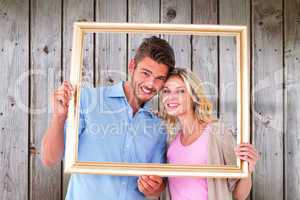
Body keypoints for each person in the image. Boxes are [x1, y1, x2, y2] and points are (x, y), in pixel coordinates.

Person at [41, 36, 175, 199]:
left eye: (159, 78)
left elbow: (157, 187)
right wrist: (59, 117)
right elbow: (49, 159)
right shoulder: (88, 100)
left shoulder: (158, 127)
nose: (150, 84)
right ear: (132, 66)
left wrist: (153, 187)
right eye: (146, 73)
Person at [159, 68, 259, 200]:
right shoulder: (171, 140)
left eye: (180, 91)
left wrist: (248, 169)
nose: (171, 97)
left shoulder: (218, 134)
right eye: (166, 91)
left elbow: (239, 194)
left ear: (193, 96)